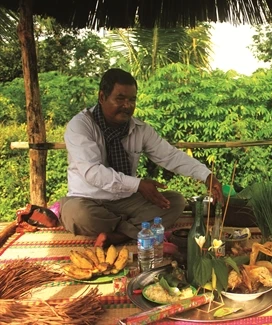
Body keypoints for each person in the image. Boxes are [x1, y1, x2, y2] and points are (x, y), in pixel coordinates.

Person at [59, 68, 223, 247]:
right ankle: (131, 229)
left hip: (126, 200)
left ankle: (118, 233)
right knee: (79, 215)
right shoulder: (80, 125)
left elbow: (170, 155)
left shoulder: (140, 129)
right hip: (87, 199)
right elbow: (92, 173)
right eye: (120, 99)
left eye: (132, 100)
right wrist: (138, 185)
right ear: (102, 97)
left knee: (175, 202)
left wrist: (206, 175)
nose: (127, 105)